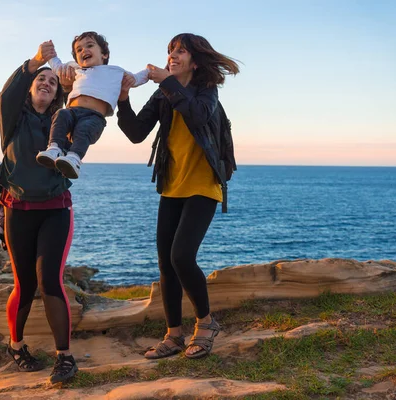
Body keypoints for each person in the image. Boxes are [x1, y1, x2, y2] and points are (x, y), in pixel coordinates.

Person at [117, 33, 239, 359]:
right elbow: (135, 132)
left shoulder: (206, 91)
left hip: (203, 185)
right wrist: (123, 98)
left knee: (181, 256)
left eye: (180, 51)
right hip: (172, 186)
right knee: (166, 265)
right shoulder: (163, 94)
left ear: (195, 61)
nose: (172, 55)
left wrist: (168, 83)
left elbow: (197, 114)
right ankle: (173, 336)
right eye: (171, 50)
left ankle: (207, 323)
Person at [0, 41, 78, 383]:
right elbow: (7, 95)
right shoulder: (13, 118)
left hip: (56, 209)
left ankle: (65, 357)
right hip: (18, 209)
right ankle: (16, 346)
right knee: (24, 283)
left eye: (52, 81)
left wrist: (74, 82)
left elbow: (87, 108)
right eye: (40, 79)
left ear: (59, 92)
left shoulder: (66, 120)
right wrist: (37, 61)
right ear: (31, 86)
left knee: (49, 282)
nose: (46, 83)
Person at [35, 32, 149, 179]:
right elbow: (57, 67)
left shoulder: (116, 71)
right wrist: (50, 54)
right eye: (79, 50)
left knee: (84, 130)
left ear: (105, 54)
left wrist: (149, 71)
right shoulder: (75, 69)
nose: (84, 51)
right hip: (72, 111)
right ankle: (53, 149)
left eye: (89, 46)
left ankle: (74, 158)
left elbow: (136, 79)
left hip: (94, 117)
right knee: (61, 114)